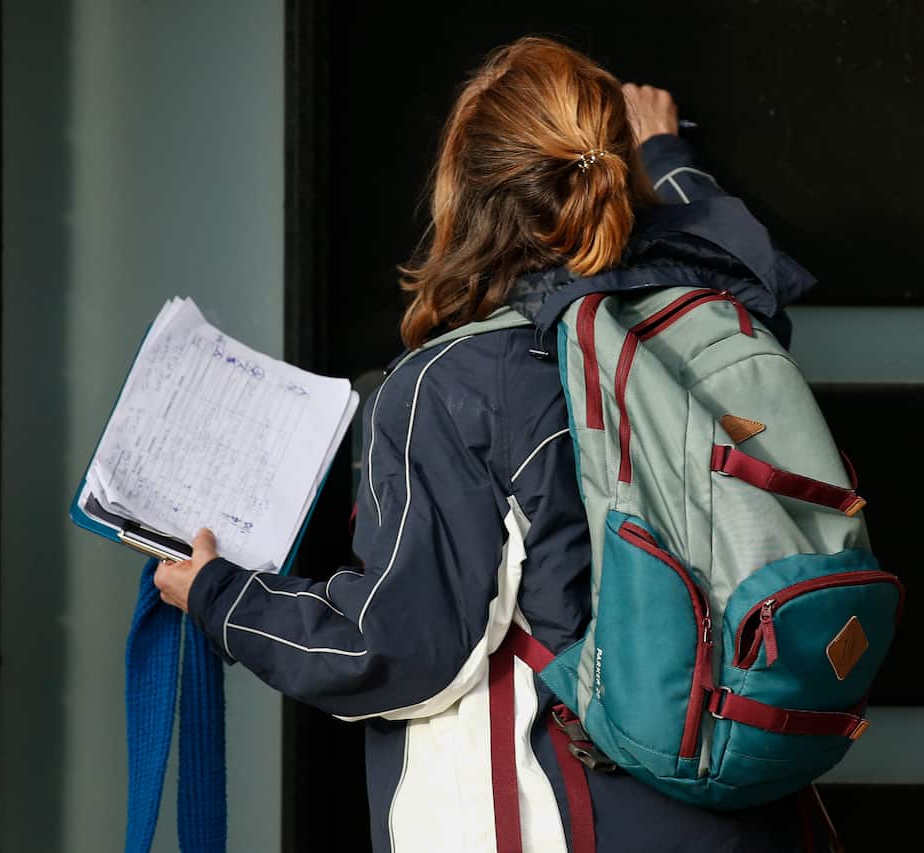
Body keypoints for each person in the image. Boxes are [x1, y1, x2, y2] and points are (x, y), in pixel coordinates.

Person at [154, 36, 825, 852]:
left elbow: (399, 650)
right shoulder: (722, 321)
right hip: (764, 817)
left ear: (465, 195)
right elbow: (742, 258)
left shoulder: (453, 385)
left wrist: (221, 595)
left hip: (575, 820)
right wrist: (665, 156)